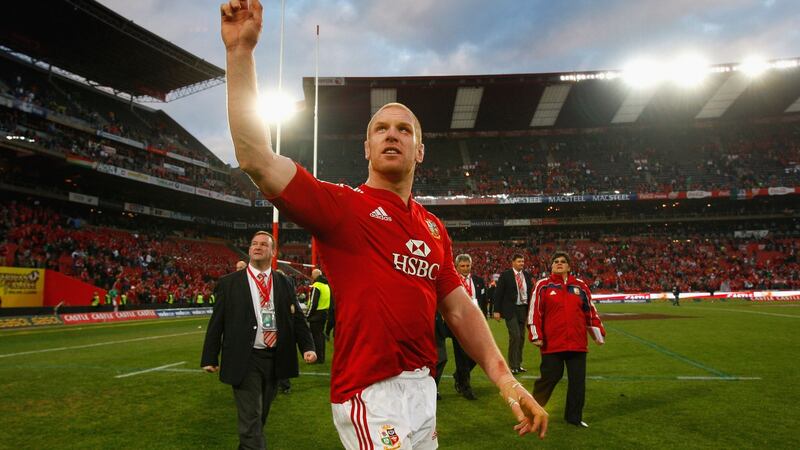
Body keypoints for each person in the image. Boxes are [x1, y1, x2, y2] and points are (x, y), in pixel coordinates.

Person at [219, 1, 548, 446]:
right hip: (367, 392)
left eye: (404, 129)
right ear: (367, 149)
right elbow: (255, 157)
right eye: (381, 129)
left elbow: (459, 309)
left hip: (422, 388)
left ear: (419, 151)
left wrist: (506, 380)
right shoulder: (341, 206)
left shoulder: (433, 229)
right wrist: (240, 53)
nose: (392, 134)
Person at [201, 231, 316, 449]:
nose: (257, 247)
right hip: (245, 358)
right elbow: (217, 321)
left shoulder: (284, 282)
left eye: (264, 244)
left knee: (259, 416)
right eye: (254, 243)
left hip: (275, 357)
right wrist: (210, 356)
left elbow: (297, 319)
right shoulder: (230, 282)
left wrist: (307, 347)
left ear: (273, 252)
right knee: (251, 416)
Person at [528, 251, 605, 428]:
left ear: (569, 266)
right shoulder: (543, 285)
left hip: (577, 343)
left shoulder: (581, 286)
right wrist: (536, 335)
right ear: (552, 266)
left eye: (563, 261)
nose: (559, 263)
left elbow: (590, 312)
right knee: (550, 378)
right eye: (556, 261)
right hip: (552, 343)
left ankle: (574, 417)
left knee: (577, 382)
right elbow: (534, 313)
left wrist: (598, 332)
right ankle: (532, 411)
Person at [451, 253, 486, 400]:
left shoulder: (478, 281)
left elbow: (482, 300)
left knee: (479, 354)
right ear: (457, 267)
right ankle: (465, 387)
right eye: (462, 266)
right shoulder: (452, 281)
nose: (465, 268)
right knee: (461, 356)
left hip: (475, 321)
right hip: (458, 322)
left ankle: (459, 375)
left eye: (468, 266)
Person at [493, 254, 533, 374]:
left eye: (523, 261)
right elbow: (498, 293)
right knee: (515, 336)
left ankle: (518, 364)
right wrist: (496, 310)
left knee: (521, 337)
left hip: (523, 308)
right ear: (513, 262)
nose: (522, 263)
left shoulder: (526, 275)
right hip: (511, 309)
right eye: (519, 261)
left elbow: (529, 292)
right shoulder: (506, 275)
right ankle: (512, 365)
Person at [306, 269, 331, 364]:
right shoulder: (326, 285)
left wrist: (307, 315)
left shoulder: (317, 286)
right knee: (320, 336)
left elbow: (313, 303)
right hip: (324, 313)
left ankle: (317, 358)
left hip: (316, 315)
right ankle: (321, 357)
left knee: (316, 337)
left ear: (314, 276)